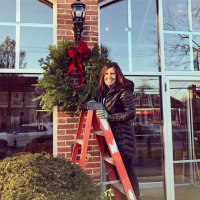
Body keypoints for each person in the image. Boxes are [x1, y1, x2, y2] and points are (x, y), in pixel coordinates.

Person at [96, 62, 140, 200]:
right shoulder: (107, 92)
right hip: (113, 138)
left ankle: (135, 198)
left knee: (127, 170)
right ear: (103, 76)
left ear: (118, 75)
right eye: (107, 74)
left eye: (112, 73)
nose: (109, 76)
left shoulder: (123, 91)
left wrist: (109, 117)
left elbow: (131, 113)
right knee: (116, 172)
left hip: (123, 138)